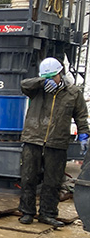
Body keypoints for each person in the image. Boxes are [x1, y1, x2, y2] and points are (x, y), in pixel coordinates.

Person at [18, 57, 89, 226]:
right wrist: (42, 82)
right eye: (46, 77)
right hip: (33, 140)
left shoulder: (73, 93)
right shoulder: (37, 90)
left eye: (52, 76)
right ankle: (27, 212)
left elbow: (81, 116)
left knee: (53, 181)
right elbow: (24, 85)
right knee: (28, 178)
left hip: (57, 142)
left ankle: (47, 214)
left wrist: (84, 134)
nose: (50, 80)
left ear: (60, 74)